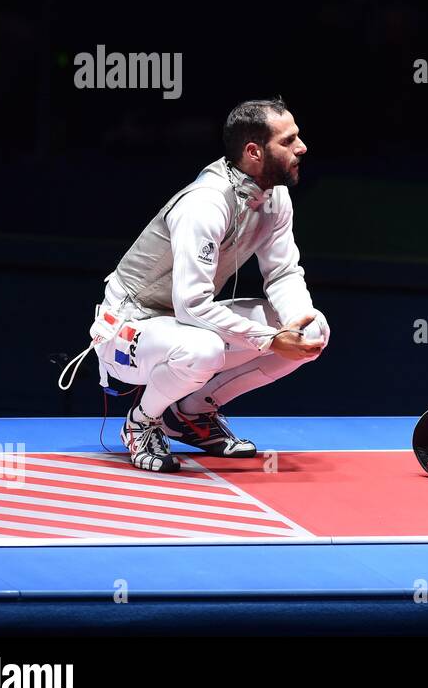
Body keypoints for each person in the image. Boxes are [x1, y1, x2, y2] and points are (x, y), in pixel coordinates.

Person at [92, 96, 328, 472]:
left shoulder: (274, 196)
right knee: (204, 349)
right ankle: (142, 422)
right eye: (287, 141)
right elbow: (192, 306)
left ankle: (190, 414)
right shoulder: (205, 204)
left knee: (312, 330)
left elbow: (282, 273)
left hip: (180, 325)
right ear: (254, 151)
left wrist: (294, 326)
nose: (302, 148)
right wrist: (268, 340)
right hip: (127, 329)